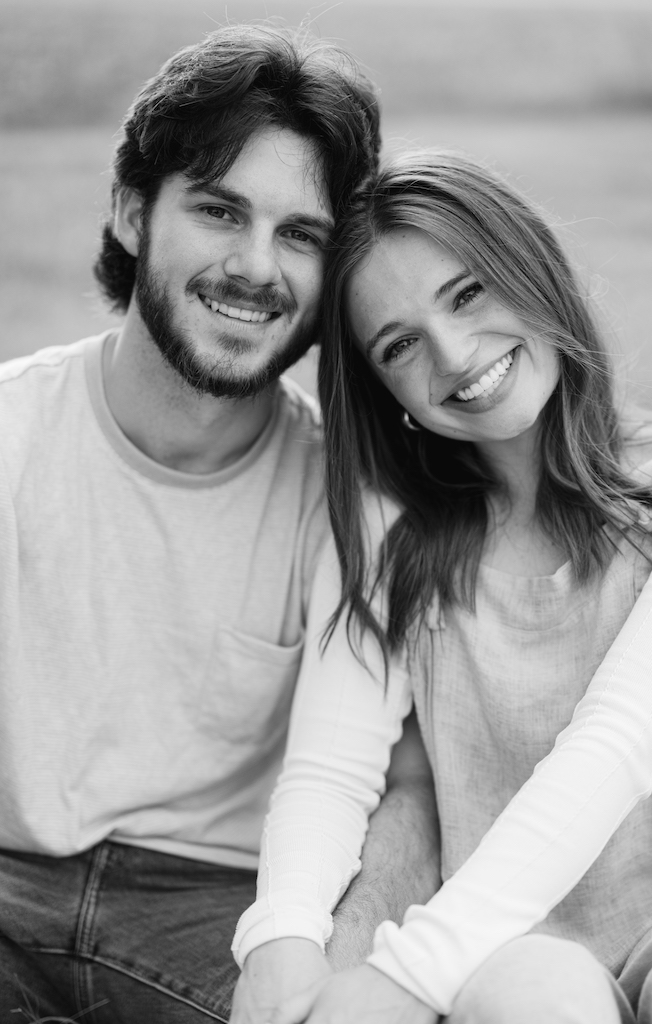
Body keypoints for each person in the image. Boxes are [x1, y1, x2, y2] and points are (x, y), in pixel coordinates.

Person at [232, 151, 652, 1024]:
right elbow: (331, 770)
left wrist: (404, 977)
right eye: (399, 345)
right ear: (385, 389)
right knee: (536, 1003)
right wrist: (280, 949)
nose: (453, 353)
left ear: (533, 271)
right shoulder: (393, 530)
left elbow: (617, 741)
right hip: (503, 943)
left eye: (468, 293)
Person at [0, 28, 441, 1024]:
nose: (256, 266)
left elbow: (407, 784)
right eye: (219, 211)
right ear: (129, 213)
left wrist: (335, 966)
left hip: (218, 909)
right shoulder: (13, 437)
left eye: (301, 234)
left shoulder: (354, 493)